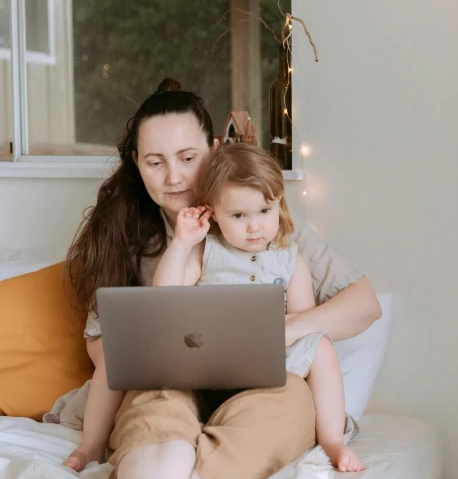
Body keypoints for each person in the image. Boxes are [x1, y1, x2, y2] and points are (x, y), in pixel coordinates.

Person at [62, 78, 381, 479]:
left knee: (287, 402)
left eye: (187, 158)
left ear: (213, 151)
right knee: (156, 410)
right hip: (168, 379)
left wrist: (288, 328)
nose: (173, 178)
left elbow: (365, 304)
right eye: (155, 162)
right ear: (137, 164)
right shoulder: (123, 233)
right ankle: (156, 465)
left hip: (263, 381)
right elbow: (101, 343)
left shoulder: (264, 221)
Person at [152, 143, 365, 472]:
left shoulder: (290, 259)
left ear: (278, 203)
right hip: (212, 360)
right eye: (238, 215)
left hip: (269, 363)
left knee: (320, 345)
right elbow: (163, 298)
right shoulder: (205, 252)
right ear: (213, 213)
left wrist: (278, 337)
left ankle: (332, 438)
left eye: (264, 211)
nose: (254, 226)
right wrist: (182, 243)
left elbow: (303, 321)